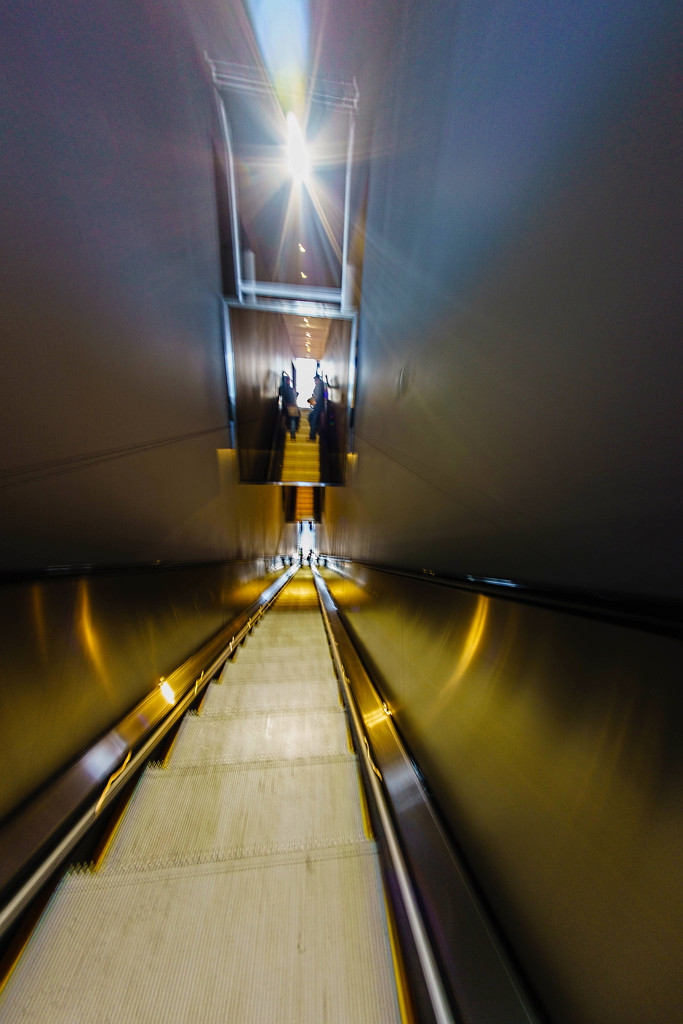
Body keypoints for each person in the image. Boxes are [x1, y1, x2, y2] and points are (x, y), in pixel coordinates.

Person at [280, 373, 299, 440]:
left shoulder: (283, 389)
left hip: (285, 406)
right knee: (292, 420)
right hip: (292, 406)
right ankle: (293, 435)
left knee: (284, 419)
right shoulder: (290, 389)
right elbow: (295, 395)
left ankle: (281, 434)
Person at [307, 373, 324, 441]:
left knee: (312, 419)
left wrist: (313, 401)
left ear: (317, 380)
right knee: (312, 418)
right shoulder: (321, 386)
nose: (315, 382)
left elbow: (317, 397)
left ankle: (312, 436)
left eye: (315, 380)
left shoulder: (319, 386)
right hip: (319, 407)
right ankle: (314, 433)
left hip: (318, 407)